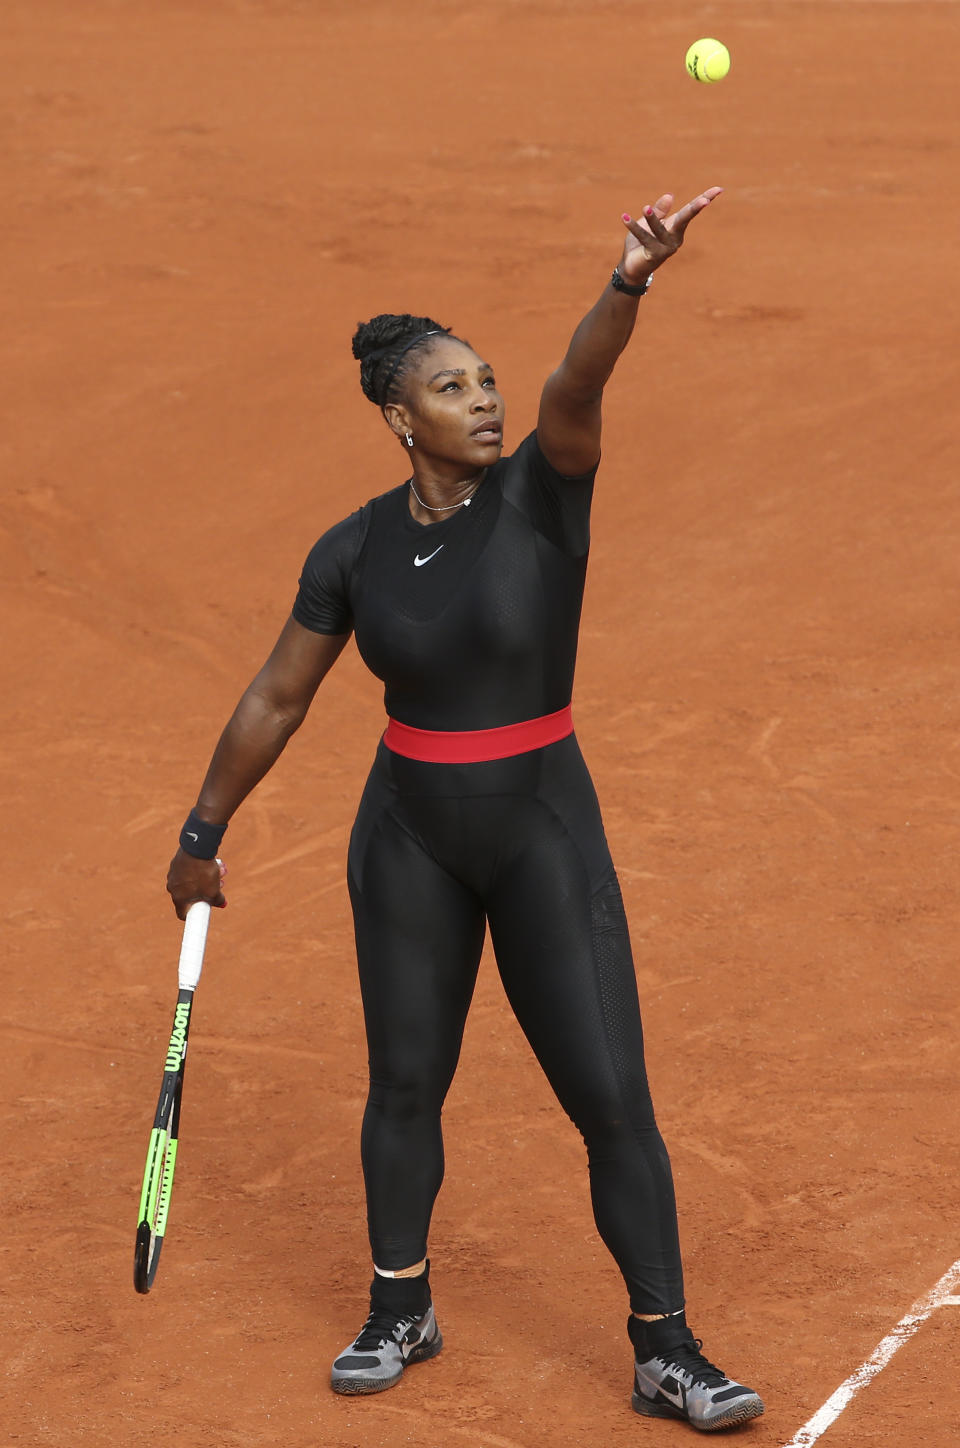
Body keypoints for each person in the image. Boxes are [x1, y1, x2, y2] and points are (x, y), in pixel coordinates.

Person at [166, 188, 764, 1431]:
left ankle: (666, 1347)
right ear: (399, 416)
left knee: (610, 1096)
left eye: (485, 378)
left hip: (543, 823)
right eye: (452, 387)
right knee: (403, 1082)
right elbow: (280, 695)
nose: (483, 399)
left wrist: (630, 281)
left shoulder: (545, 491)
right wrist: (200, 833)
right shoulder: (355, 548)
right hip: (410, 834)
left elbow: (577, 387)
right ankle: (402, 1304)